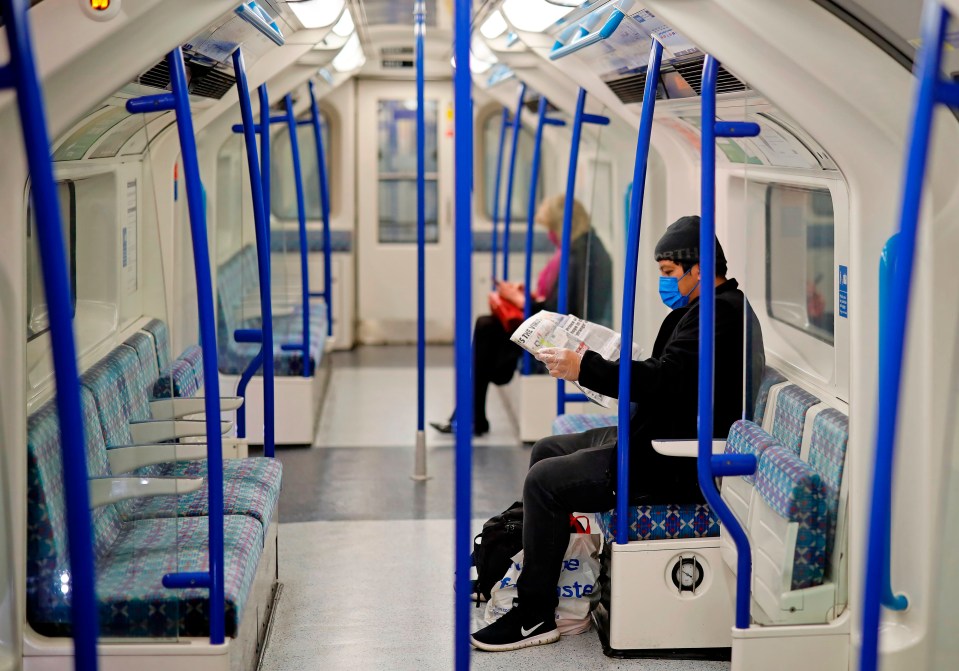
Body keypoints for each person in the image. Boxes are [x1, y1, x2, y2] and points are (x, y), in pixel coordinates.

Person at [469, 215, 765, 651]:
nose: (664, 283)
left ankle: (534, 615)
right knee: (549, 448)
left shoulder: (718, 317)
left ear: (698, 268)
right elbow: (673, 379)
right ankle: (555, 584)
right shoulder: (705, 310)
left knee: (544, 483)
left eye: (669, 274)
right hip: (658, 433)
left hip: (672, 459)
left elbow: (664, 379)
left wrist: (583, 367)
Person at [431, 194, 612, 436]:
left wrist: (520, 301)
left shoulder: (578, 256)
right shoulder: (581, 248)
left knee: (486, 329)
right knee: (486, 326)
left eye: (550, 228)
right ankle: (472, 414)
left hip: (568, 335)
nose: (549, 234)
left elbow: (562, 310)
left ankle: (472, 413)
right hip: (561, 324)